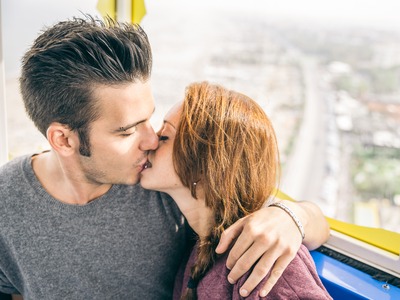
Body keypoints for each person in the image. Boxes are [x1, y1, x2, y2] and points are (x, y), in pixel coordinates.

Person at [0, 16, 329, 299]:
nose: (151, 138)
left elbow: (265, 207)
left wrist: (291, 216)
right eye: (127, 131)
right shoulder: (7, 201)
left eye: (150, 119)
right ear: (64, 139)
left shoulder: (164, 186)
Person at [141, 81, 332, 300]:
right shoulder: (200, 250)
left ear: (204, 165)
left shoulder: (265, 264)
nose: (151, 142)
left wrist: (295, 215)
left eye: (165, 136)